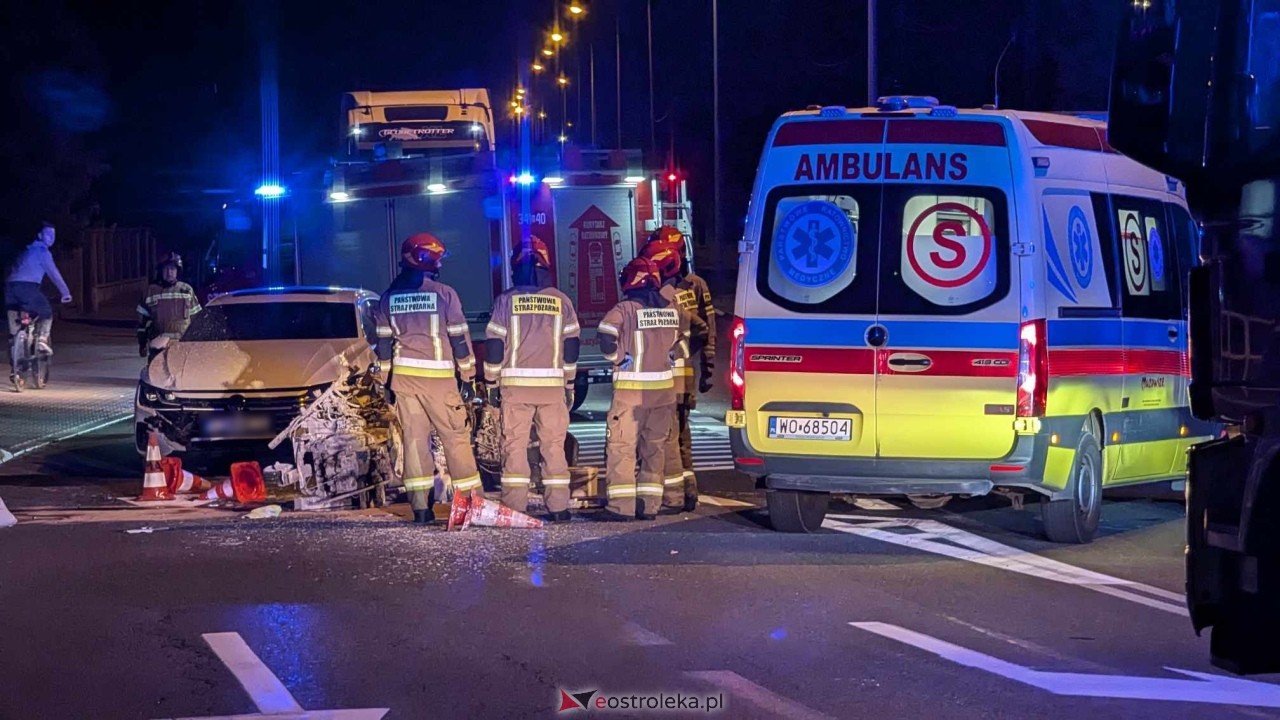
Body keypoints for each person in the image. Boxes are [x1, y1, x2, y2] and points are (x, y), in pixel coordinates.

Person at [378, 233, 483, 527]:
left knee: (414, 444)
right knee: (456, 441)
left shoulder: (388, 298)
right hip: (439, 382)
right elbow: (460, 339)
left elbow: (384, 347)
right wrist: (468, 375)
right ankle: (471, 506)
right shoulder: (444, 294)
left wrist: (387, 382)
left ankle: (421, 508)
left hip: (404, 383)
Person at [483, 236, 581, 523]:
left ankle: (515, 507)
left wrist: (491, 383)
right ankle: (559, 508)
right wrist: (570, 384)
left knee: (514, 447)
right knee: (553, 446)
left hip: (515, 389)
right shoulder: (561, 301)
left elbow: (494, 346)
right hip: (552, 389)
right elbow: (571, 346)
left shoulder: (505, 301)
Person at [597, 256, 689, 521]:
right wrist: (673, 355)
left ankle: (621, 507)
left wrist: (616, 358)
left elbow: (605, 333)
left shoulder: (625, 309)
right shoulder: (671, 309)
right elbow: (687, 338)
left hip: (630, 394)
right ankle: (649, 506)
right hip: (662, 394)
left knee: (622, 449)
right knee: (654, 450)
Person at [641, 228, 715, 512]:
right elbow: (704, 329)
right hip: (677, 375)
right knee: (678, 436)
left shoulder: (687, 287)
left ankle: (675, 492)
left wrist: (706, 366)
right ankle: (685, 492)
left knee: (669, 436)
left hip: (671, 377)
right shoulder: (675, 288)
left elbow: (706, 329)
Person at [5, 222, 72, 364]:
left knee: (15, 332)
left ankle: (16, 369)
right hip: (27, 288)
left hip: (10, 289)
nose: (51, 237)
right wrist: (65, 292)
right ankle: (42, 338)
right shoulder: (42, 252)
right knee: (46, 311)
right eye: (48, 234)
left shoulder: (26, 251)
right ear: (40, 235)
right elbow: (54, 274)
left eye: (53, 234)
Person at [136, 252, 201, 361]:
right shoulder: (150, 291)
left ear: (178, 271)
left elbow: (197, 319)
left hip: (183, 346)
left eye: (172, 269)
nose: (169, 272)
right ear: (160, 271)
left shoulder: (186, 290)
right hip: (158, 347)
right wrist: (142, 344)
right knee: (155, 376)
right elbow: (142, 323)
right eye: (166, 269)